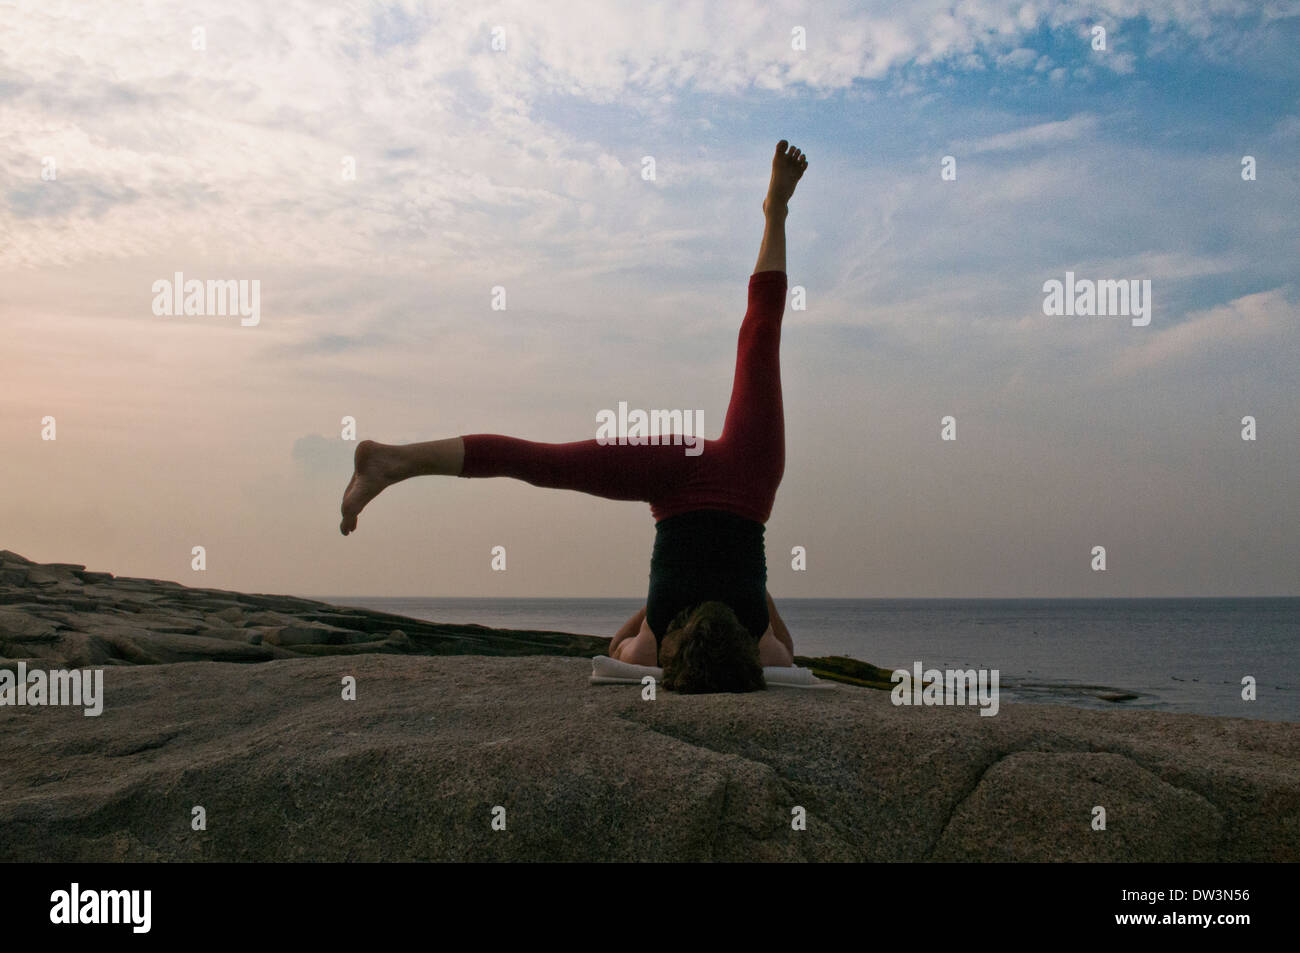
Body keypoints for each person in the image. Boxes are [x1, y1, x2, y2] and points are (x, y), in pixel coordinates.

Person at [340, 140, 809, 693]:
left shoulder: (768, 652)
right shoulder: (650, 648)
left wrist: (746, 593)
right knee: (545, 465)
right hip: (682, 485)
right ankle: (392, 461)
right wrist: (657, 606)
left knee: (761, 337)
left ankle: (776, 209)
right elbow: (614, 648)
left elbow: (789, 651)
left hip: (744, 483)